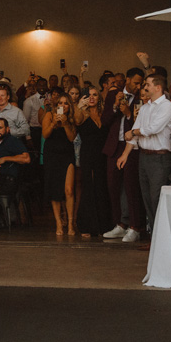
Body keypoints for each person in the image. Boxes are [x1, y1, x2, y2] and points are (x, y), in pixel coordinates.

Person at [101, 67, 146, 242]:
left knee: (131, 186)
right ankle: (119, 224)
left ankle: (135, 226)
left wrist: (128, 114)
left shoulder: (141, 98)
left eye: (140, 83)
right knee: (113, 186)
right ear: (127, 80)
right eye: (136, 83)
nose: (138, 86)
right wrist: (115, 106)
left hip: (131, 146)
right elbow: (105, 121)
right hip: (114, 145)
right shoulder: (114, 95)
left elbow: (141, 125)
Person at [129, 74, 171, 235]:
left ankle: (162, 236)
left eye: (148, 84)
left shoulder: (167, 106)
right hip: (144, 155)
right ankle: (154, 236)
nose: (145, 87)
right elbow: (136, 130)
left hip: (159, 157)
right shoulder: (144, 108)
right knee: (147, 198)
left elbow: (153, 129)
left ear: (158, 87)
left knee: (156, 197)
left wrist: (134, 132)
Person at [42, 92, 78, 236]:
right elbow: (45, 134)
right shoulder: (49, 115)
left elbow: (71, 138)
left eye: (66, 103)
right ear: (56, 105)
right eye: (60, 103)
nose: (63, 106)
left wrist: (65, 123)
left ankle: (70, 223)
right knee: (54, 190)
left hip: (67, 154)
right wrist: (53, 123)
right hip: (52, 155)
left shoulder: (72, 119)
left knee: (69, 189)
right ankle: (58, 223)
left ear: (69, 106)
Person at [76, 86, 109, 237]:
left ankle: (104, 224)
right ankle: (86, 225)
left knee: (102, 186)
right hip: (88, 153)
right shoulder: (82, 113)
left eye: (95, 95)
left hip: (103, 154)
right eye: (89, 95)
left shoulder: (104, 113)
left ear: (99, 98)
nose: (92, 97)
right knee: (88, 185)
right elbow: (76, 121)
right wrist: (79, 106)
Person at [0, 118, 31, 213]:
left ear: (7, 129)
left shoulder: (12, 141)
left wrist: (6, 158)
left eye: (0, 128)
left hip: (9, 181)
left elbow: (26, 159)